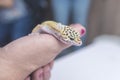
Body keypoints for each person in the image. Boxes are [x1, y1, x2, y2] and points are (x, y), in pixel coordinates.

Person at [0, 24, 85, 80]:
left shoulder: (59, 32)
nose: (78, 42)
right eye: (72, 39)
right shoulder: (54, 31)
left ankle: (4, 63)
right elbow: (42, 26)